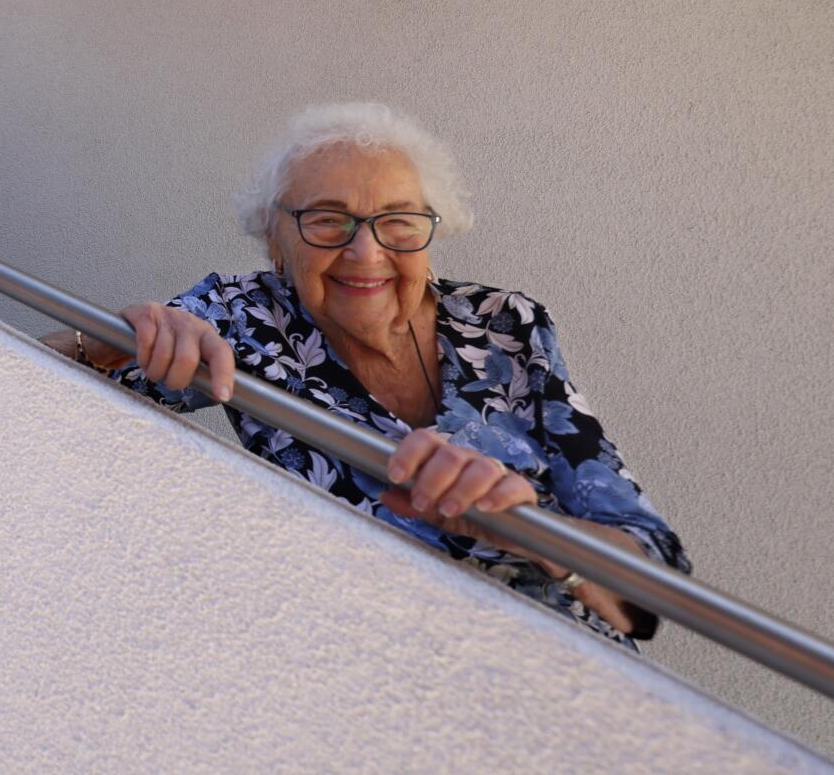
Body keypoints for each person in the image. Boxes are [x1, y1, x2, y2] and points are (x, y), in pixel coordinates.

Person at [46, 102, 688, 644]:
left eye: (397, 222)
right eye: (327, 220)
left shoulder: (507, 324)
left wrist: (533, 530)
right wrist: (108, 341)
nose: (366, 252)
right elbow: (38, 393)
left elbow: (648, 582)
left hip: (568, 667)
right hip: (367, 668)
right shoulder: (244, 317)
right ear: (275, 239)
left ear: (429, 232)